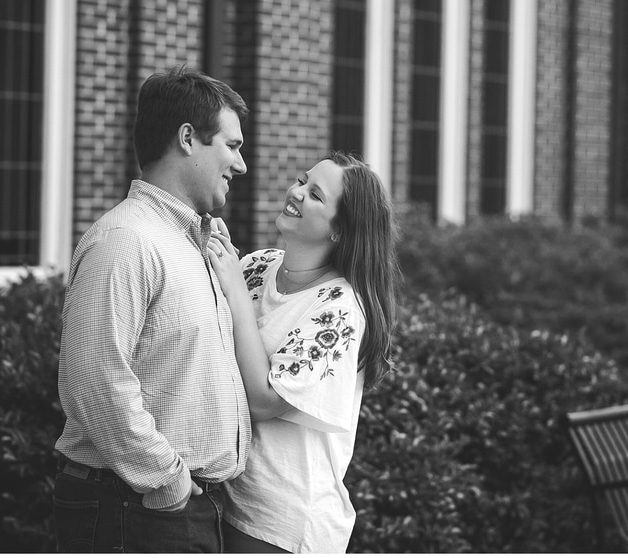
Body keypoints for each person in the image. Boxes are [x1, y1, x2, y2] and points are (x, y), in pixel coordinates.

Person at [53, 68, 251, 553]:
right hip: (138, 509)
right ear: (188, 139)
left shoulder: (190, 242)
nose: (241, 164)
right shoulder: (126, 242)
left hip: (182, 508)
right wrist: (168, 482)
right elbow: (94, 382)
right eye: (231, 145)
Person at [205, 150, 398, 553]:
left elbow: (264, 400)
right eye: (301, 180)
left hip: (283, 523)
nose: (296, 193)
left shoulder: (340, 307)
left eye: (315, 195)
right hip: (222, 500)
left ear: (340, 231)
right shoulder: (257, 267)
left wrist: (235, 292)